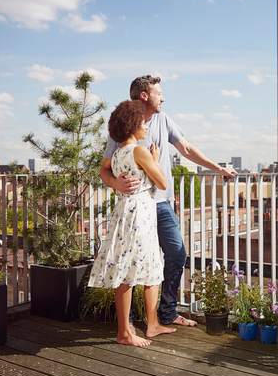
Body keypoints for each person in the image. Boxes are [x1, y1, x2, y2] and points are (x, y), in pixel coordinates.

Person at [100, 75, 237, 328]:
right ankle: (128, 323)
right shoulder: (124, 125)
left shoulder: (163, 119)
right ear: (144, 95)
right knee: (131, 261)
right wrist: (115, 183)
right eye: (158, 92)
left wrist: (218, 168)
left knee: (175, 254)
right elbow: (105, 169)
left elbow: (186, 149)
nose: (163, 97)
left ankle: (166, 313)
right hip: (136, 206)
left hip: (161, 204)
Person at [88, 100, 175, 347]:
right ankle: (128, 331)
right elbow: (162, 183)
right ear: (132, 125)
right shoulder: (139, 151)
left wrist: (116, 183)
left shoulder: (117, 155)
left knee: (134, 265)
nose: (146, 128)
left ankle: (146, 325)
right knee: (136, 268)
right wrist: (155, 159)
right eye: (142, 124)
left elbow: (104, 171)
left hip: (127, 209)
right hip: (140, 212)